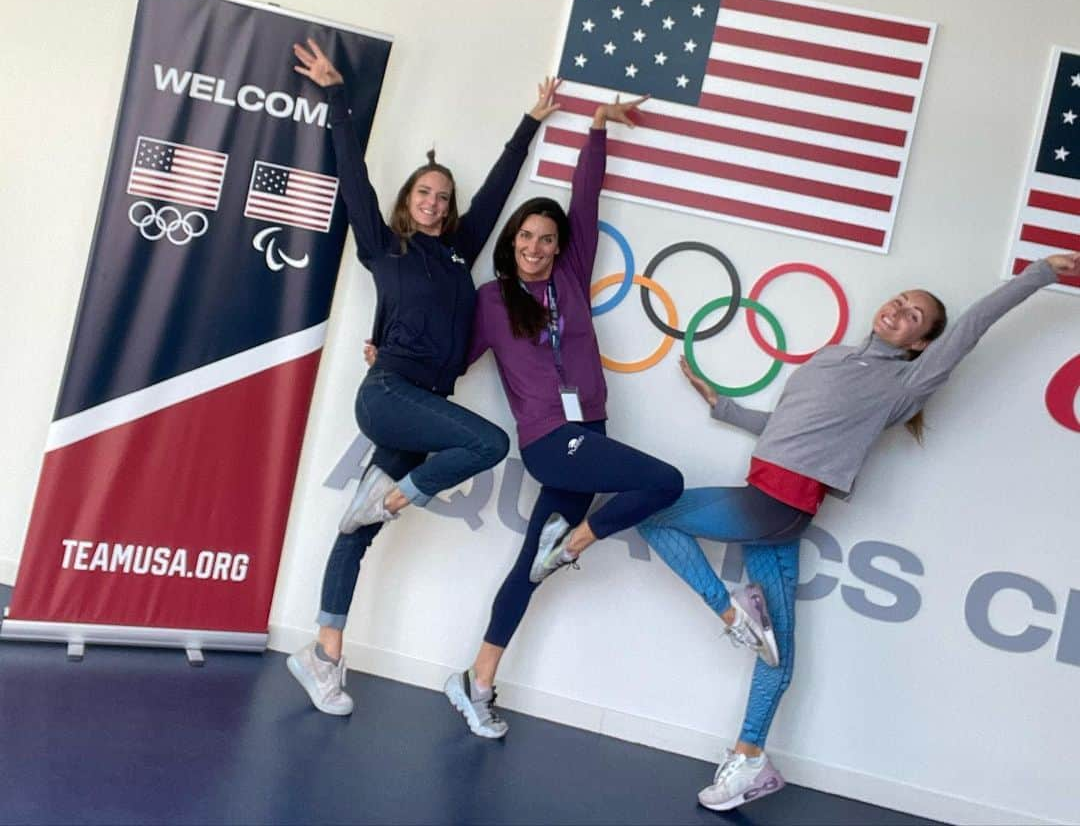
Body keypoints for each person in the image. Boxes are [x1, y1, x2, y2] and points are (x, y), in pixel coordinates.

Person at [634, 253, 1080, 811]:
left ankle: (730, 610)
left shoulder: (906, 381)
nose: (900, 309)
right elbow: (789, 429)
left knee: (648, 508)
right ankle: (750, 758)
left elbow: (972, 326)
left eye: (916, 315)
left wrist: (1039, 272)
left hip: (776, 505)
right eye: (901, 299)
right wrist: (721, 405)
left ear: (921, 344)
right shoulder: (834, 359)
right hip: (772, 508)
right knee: (778, 654)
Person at [286, 39, 561, 716]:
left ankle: (322, 654)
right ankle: (392, 497)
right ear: (410, 199)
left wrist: (531, 122)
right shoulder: (385, 247)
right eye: (424, 192)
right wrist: (334, 96)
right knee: (490, 444)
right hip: (386, 396)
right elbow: (353, 177)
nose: (435, 202)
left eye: (444, 196)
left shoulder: (461, 253)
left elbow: (499, 190)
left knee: (355, 531)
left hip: (425, 402)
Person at [442, 95, 685, 739]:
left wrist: (597, 128)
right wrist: (395, 355)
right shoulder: (492, 301)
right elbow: (452, 362)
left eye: (546, 239)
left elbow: (586, 197)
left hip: (591, 431)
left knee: (527, 568)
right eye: (526, 236)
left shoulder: (571, 279)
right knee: (665, 482)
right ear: (512, 241)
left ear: (557, 248)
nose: (536, 246)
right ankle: (571, 544)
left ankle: (476, 680)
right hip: (552, 440)